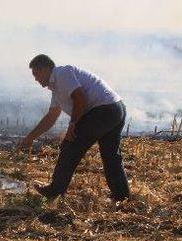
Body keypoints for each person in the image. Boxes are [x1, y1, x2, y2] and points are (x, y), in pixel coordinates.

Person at [18, 54, 130, 201]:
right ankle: (122, 196)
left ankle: (55, 191)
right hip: (116, 109)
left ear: (45, 69)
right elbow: (51, 117)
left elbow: (80, 97)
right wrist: (30, 138)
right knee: (111, 155)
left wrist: (73, 124)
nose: (35, 79)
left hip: (103, 110)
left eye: (36, 74)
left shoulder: (62, 74)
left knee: (70, 147)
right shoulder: (56, 89)